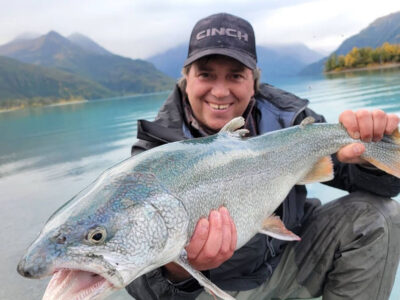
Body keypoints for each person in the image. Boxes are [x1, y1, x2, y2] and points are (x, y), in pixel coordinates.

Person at [126, 13, 400, 300]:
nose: (220, 92)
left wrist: (370, 157)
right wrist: (179, 270)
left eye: (235, 75)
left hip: (291, 259)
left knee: (380, 215)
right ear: (187, 77)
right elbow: (137, 285)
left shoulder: (291, 118)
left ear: (253, 80)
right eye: (206, 74)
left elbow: (386, 187)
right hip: (215, 289)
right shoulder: (154, 152)